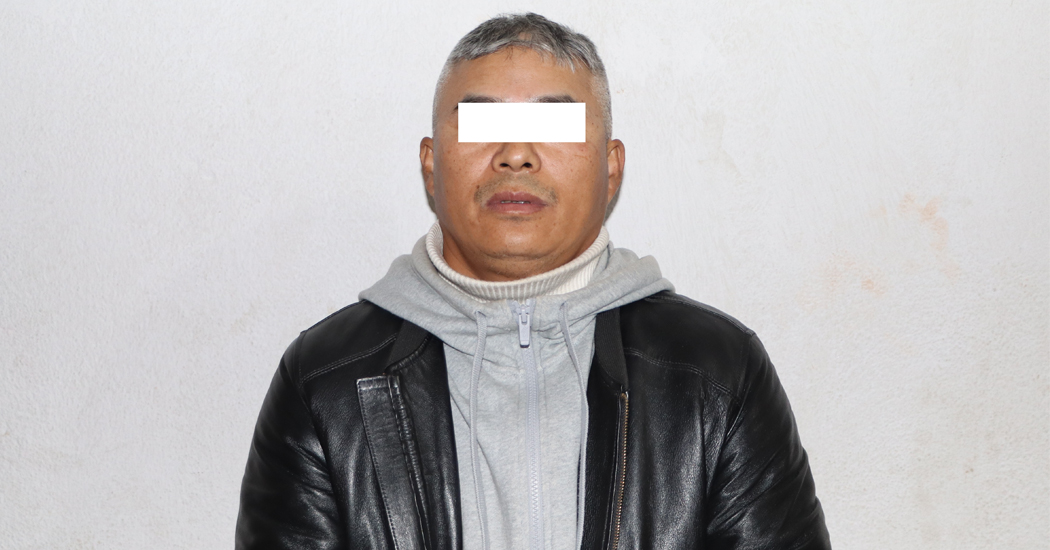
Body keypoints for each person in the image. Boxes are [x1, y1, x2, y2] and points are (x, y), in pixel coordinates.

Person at [236, 13, 830, 550]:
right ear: (430, 164)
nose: (516, 153)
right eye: (481, 123)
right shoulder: (323, 381)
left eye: (553, 124)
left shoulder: (718, 372)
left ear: (611, 167)